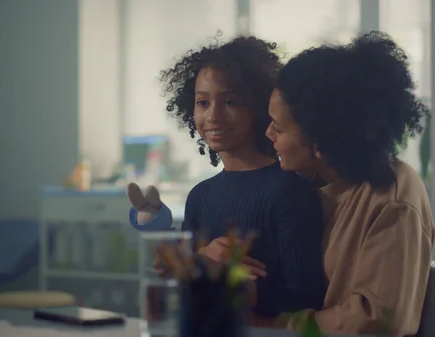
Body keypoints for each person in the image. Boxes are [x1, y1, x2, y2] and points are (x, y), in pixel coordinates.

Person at [127, 35, 327, 318]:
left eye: (230, 101)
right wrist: (186, 264)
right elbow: (187, 281)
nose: (213, 116)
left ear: (258, 106)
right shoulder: (200, 196)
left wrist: (216, 275)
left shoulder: (290, 191)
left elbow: (305, 297)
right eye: (203, 102)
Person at [257, 31, 434, 336]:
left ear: (321, 137)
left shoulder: (392, 198)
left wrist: (277, 327)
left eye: (279, 127)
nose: (268, 134)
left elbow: (376, 320)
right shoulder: (302, 188)